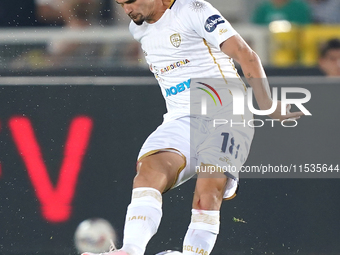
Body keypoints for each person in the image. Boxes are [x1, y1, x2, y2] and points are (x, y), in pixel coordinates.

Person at [82, 0, 303, 255]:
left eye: (130, 1)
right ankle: (130, 250)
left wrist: (267, 104)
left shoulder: (194, 10)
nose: (127, 10)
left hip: (227, 111)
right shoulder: (138, 28)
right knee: (148, 173)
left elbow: (245, 53)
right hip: (181, 118)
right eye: (121, 4)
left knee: (206, 191)